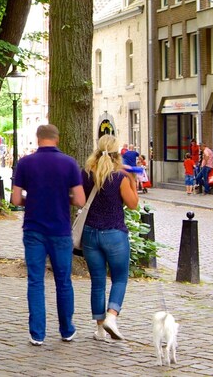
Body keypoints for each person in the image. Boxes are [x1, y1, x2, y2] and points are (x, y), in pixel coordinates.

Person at [10, 124, 86, 346]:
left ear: (38, 139)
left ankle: (37, 334)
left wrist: (32, 199)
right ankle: (66, 329)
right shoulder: (69, 163)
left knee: (35, 280)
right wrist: (63, 198)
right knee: (63, 281)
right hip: (60, 230)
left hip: (34, 229)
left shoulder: (25, 163)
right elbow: (80, 200)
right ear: (57, 138)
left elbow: (15, 200)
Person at [81, 134, 139, 342]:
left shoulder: (86, 173)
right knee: (119, 278)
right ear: (117, 153)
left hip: (90, 233)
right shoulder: (120, 177)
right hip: (114, 234)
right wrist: (132, 181)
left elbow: (79, 200)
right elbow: (133, 204)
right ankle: (112, 317)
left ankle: (99, 330)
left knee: (97, 282)